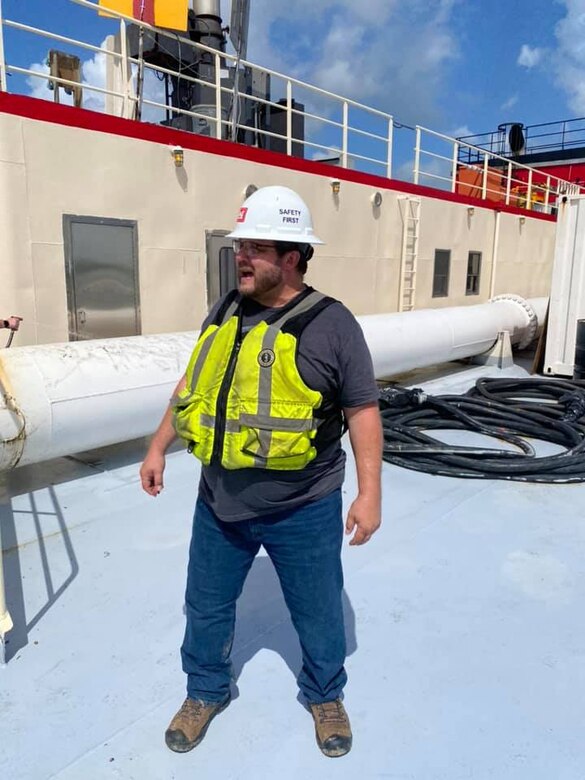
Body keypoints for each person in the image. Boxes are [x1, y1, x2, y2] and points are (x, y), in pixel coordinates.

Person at [140, 185, 383, 758]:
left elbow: (362, 411)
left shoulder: (333, 325)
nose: (240, 257)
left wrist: (370, 494)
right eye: (239, 246)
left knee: (319, 609)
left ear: (292, 256)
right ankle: (205, 691)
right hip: (219, 501)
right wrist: (157, 446)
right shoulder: (225, 310)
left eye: (255, 247)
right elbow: (192, 385)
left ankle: (325, 695)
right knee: (205, 605)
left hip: (303, 505)